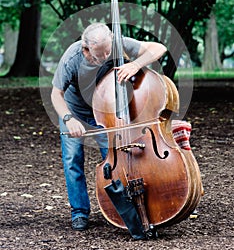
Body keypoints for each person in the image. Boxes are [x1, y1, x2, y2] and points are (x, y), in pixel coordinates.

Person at [51, 22, 167, 231]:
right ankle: (79, 212)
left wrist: (136, 64)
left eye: (108, 51)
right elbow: (55, 94)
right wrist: (69, 118)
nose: (106, 57)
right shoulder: (72, 57)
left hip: (105, 111)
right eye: (99, 54)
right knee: (72, 159)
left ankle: (124, 209)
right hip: (75, 110)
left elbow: (159, 48)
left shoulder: (116, 43)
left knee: (115, 157)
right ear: (86, 49)